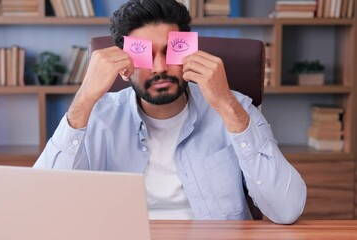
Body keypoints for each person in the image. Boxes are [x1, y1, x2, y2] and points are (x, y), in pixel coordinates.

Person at [34, 0, 306, 224]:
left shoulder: (236, 107)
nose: (160, 67)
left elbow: (287, 210)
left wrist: (225, 104)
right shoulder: (96, 115)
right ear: (123, 66)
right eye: (145, 55)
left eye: (170, 52)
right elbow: (40, 208)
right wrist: (84, 98)